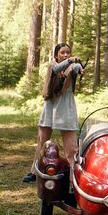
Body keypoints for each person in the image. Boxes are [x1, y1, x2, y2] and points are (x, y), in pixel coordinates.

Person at [23, 43, 84, 183]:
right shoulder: (52, 65)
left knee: (72, 147)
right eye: (62, 52)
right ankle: (35, 171)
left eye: (68, 52)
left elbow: (76, 67)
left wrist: (79, 67)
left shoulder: (72, 66)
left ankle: (73, 177)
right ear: (56, 54)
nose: (66, 54)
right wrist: (70, 60)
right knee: (42, 141)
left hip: (66, 107)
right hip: (51, 104)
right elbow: (57, 69)